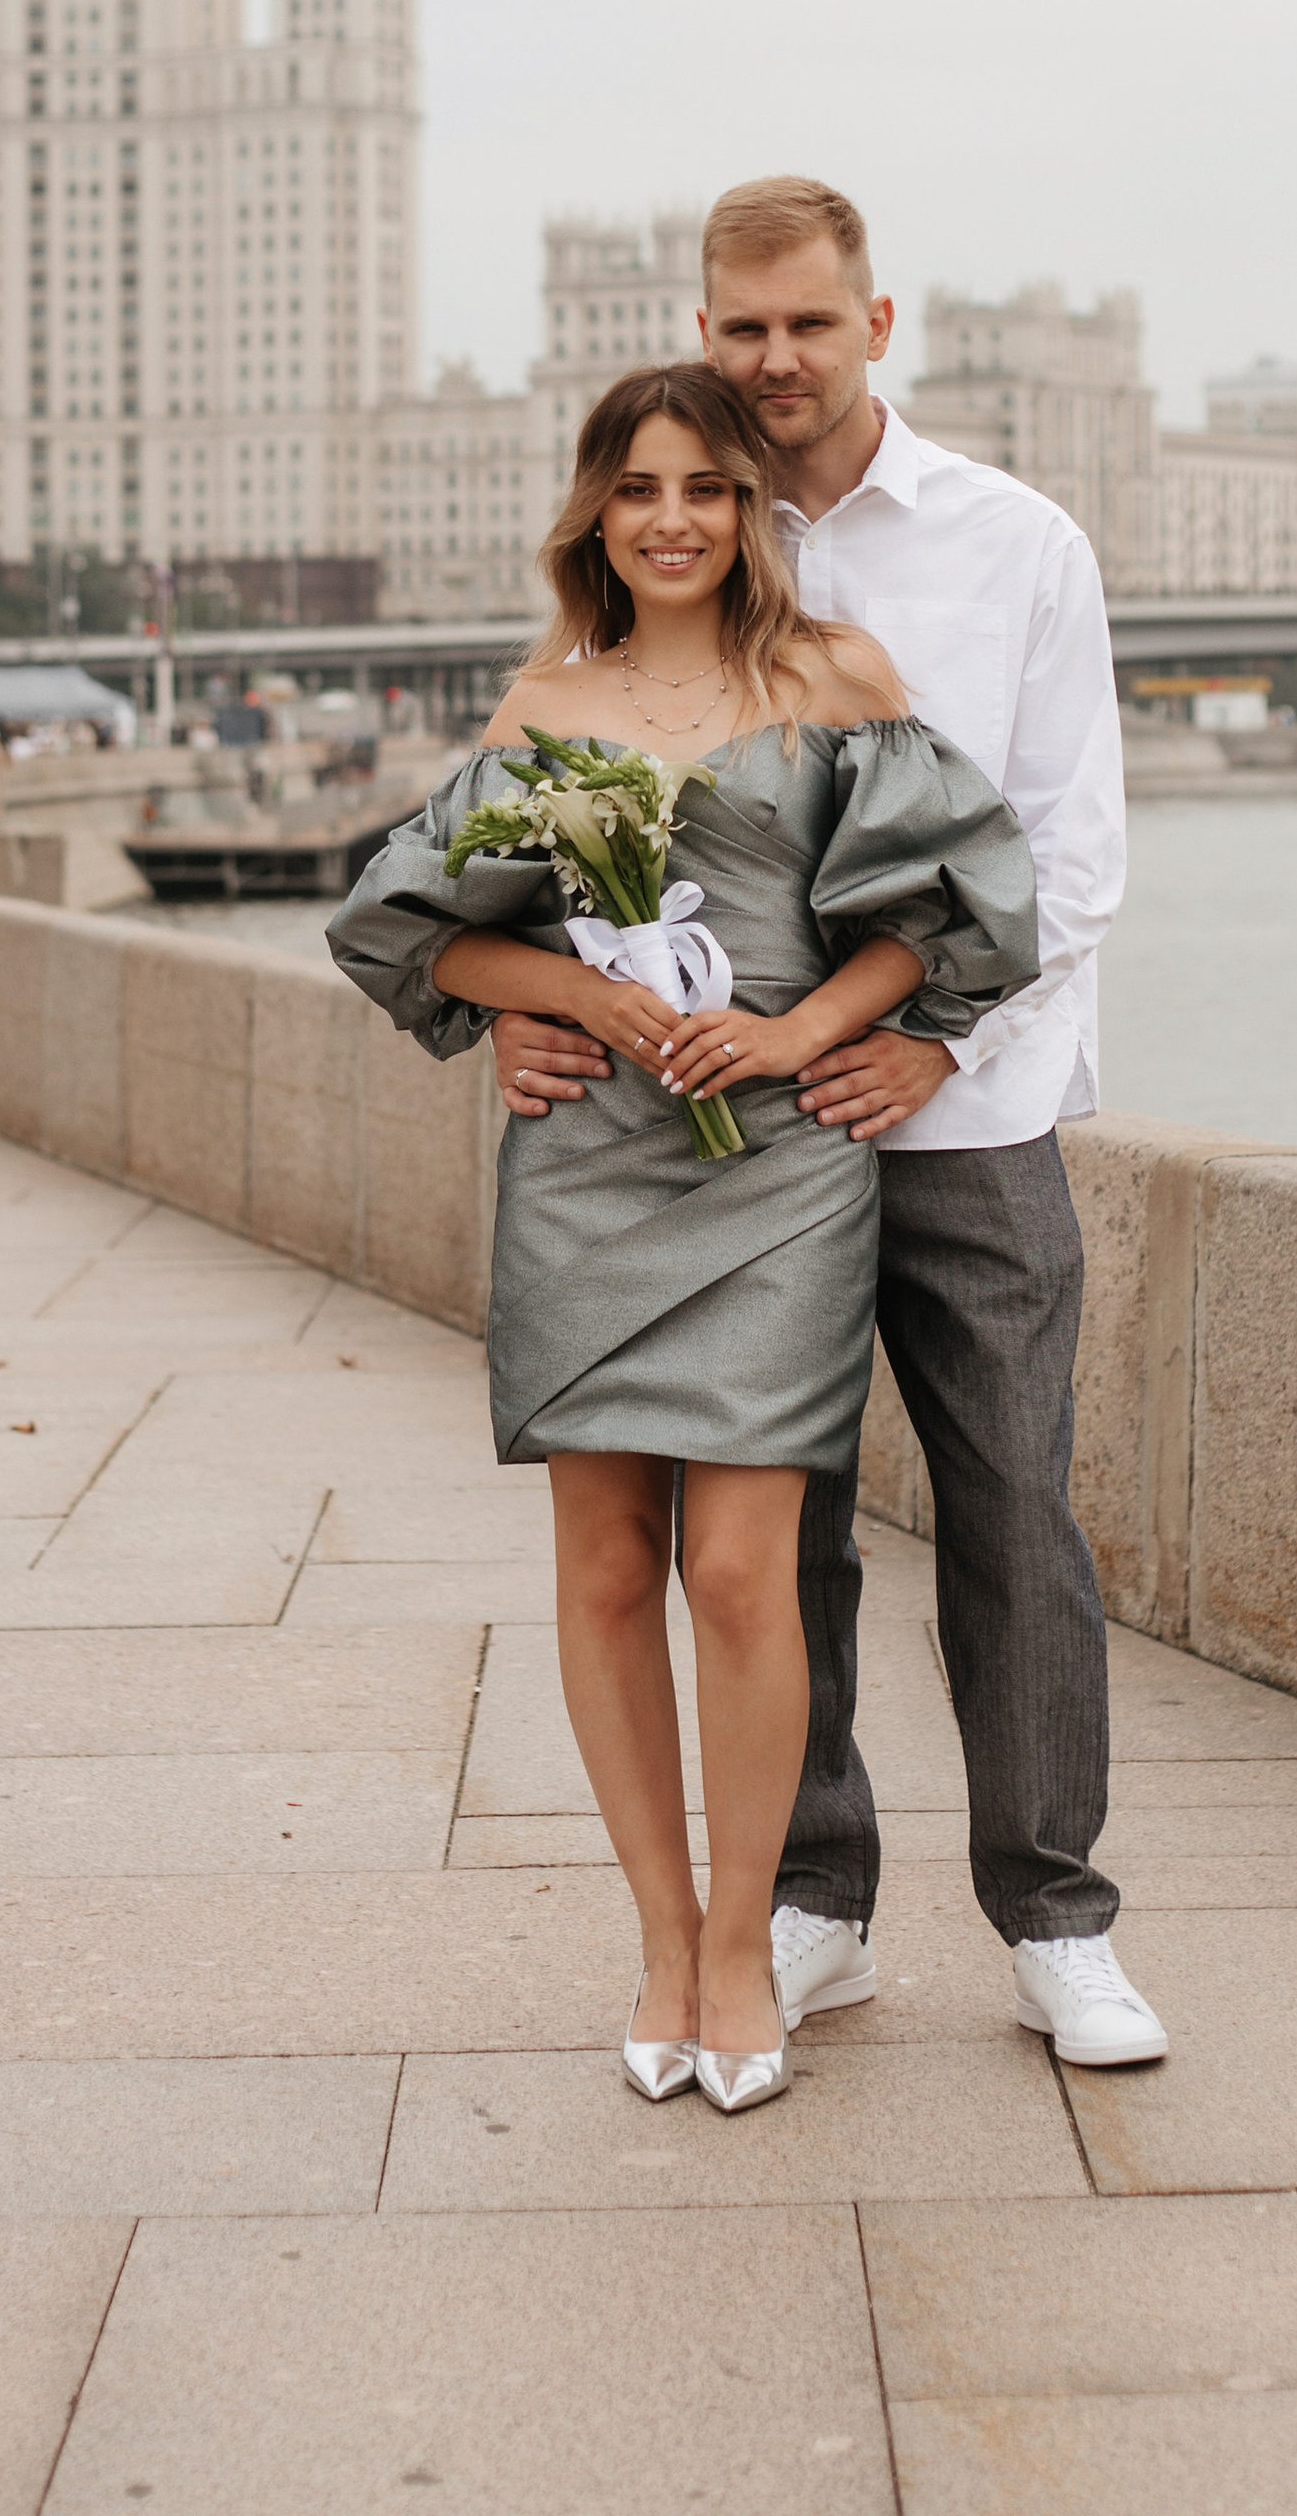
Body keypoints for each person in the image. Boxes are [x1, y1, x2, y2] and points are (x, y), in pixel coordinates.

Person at [488, 176, 1167, 2071]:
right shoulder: (668, 525)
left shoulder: (1015, 543)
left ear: (880, 326)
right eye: (739, 328)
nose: (771, 361)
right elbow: (555, 855)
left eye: (805, 324)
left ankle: (1057, 1920)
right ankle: (813, 1906)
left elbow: (1065, 854)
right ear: (701, 333)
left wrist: (935, 1052)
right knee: (761, 1545)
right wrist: (525, 1029)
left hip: (959, 1110)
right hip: (717, 1152)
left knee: (1013, 1510)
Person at [328, 362, 1038, 2113]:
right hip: (591, 1164)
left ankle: (750, 1940)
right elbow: (411, 931)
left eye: (706, 490)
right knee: (597, 1567)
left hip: (782, 1162)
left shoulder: (834, 681)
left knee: (737, 1572)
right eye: (637, 487)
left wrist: (798, 1039)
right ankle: (661, 1939)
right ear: (596, 511)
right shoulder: (542, 704)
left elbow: (946, 914)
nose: (671, 518)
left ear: (748, 513)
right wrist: (551, 993)